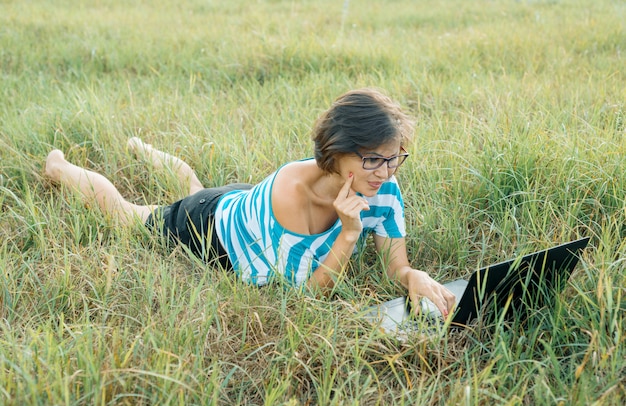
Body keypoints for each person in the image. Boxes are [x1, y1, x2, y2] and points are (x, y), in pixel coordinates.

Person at [44, 88, 456, 317]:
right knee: (129, 217)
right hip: (212, 227)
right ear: (337, 151)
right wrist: (348, 235)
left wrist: (411, 276)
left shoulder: (379, 184)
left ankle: (143, 149)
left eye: (393, 158)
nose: (384, 173)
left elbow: (394, 265)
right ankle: (59, 168)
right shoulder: (293, 196)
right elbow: (308, 297)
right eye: (371, 159)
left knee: (193, 184)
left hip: (246, 208)